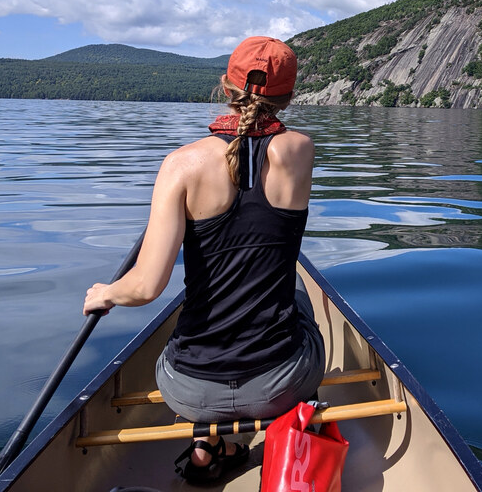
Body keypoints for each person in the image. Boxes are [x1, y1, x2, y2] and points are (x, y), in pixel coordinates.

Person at [83, 36, 325, 483]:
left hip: (187, 390)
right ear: (288, 97)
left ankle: (206, 444)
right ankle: (295, 427)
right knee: (297, 290)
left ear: (224, 87)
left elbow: (146, 287)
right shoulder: (303, 151)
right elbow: (258, 157)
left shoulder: (180, 164)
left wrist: (107, 292)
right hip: (283, 382)